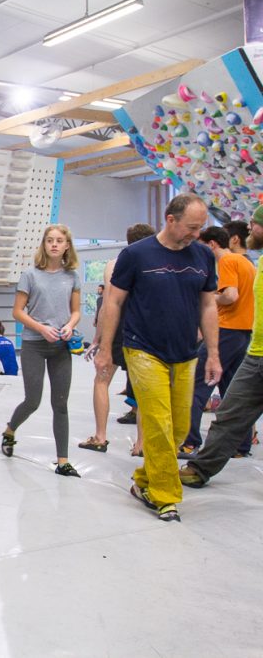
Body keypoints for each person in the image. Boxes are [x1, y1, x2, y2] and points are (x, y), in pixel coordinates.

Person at [95, 194, 219, 522]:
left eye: (201, 226)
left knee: (179, 428)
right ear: (170, 219)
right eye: (191, 226)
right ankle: (165, 496)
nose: (196, 232)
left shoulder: (204, 256)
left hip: (186, 353)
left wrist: (214, 354)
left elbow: (208, 306)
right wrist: (106, 349)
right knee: (159, 423)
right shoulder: (136, 255)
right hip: (142, 348)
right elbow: (114, 303)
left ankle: (144, 481)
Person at [181, 208, 263, 486]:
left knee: (199, 385)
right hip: (253, 347)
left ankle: (190, 443)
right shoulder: (255, 262)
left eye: (255, 224)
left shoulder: (229, 262)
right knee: (229, 408)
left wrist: (204, 301)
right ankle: (202, 468)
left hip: (230, 333)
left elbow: (229, 295)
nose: (250, 228)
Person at [0, 224, 82, 477]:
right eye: (50, 240)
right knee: (32, 401)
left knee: (61, 404)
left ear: (67, 246)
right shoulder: (30, 275)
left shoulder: (72, 277)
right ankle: (10, 429)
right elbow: (17, 312)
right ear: (44, 245)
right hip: (35, 345)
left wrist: (69, 326)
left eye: (59, 240)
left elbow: (76, 311)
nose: (54, 244)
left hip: (60, 347)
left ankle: (63, 461)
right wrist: (42, 328)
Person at [79, 223, 155, 453]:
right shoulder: (155, 265)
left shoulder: (114, 265)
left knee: (101, 381)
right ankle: (141, 444)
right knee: (143, 390)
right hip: (142, 330)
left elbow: (108, 305)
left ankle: (100, 437)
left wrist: (98, 338)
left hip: (118, 329)